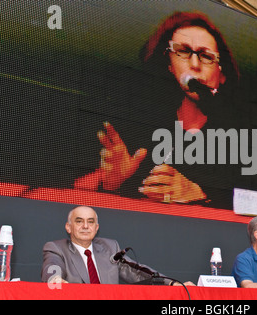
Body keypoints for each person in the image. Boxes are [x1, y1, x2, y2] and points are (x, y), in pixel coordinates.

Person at [73, 11, 241, 209]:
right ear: (169, 64)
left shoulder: (240, 138)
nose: (195, 64)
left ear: (221, 74)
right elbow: (73, 189)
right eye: (184, 52)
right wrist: (110, 183)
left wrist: (200, 194)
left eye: (206, 56)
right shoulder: (138, 126)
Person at [41, 206, 194, 286]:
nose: (85, 226)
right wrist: (54, 279)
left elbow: (136, 271)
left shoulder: (109, 247)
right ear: (68, 227)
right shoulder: (56, 248)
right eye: (79, 221)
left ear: (96, 227)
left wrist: (171, 283)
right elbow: (53, 266)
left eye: (91, 222)